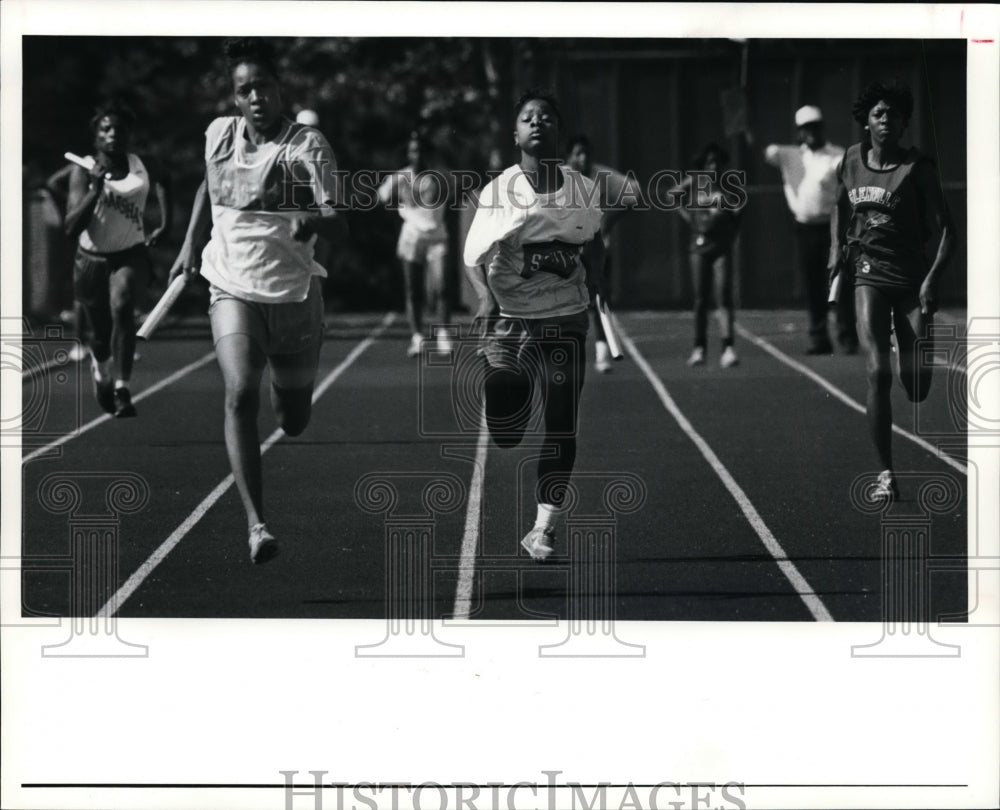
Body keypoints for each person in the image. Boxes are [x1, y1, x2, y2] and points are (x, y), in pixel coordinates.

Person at [168, 39, 347, 563]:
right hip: (230, 284)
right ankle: (256, 524)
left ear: (278, 87)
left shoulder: (306, 145)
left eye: (262, 86)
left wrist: (313, 219)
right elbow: (208, 187)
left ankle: (288, 374)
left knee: (292, 419)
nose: (255, 96)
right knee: (239, 391)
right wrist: (186, 247)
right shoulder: (219, 134)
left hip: (291, 292)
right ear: (235, 96)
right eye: (244, 89)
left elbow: (339, 214)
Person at [463, 90, 604, 560]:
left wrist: (598, 286)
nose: (537, 122)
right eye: (527, 117)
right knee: (506, 431)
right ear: (516, 133)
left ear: (557, 129)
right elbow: (473, 259)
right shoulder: (499, 192)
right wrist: (484, 296)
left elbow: (596, 242)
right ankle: (504, 393)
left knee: (562, 422)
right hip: (512, 319)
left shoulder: (581, 189)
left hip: (566, 316)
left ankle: (543, 528)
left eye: (546, 116)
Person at [829, 80, 954, 500]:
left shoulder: (918, 168)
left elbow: (949, 232)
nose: (886, 120)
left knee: (916, 388)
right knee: (876, 372)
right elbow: (838, 205)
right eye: (879, 113)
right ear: (866, 121)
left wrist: (932, 281)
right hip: (869, 276)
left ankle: (915, 340)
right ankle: (886, 473)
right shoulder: (849, 160)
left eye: (894, 115)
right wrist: (835, 248)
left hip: (912, 282)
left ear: (904, 124)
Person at [64, 99, 171, 416]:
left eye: (119, 129)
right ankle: (102, 370)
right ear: (96, 136)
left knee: (123, 305)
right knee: (99, 335)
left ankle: (123, 388)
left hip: (130, 253)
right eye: (105, 129)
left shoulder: (143, 164)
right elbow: (71, 228)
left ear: (128, 134)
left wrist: (165, 223)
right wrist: (95, 189)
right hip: (91, 259)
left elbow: (166, 181)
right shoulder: (81, 171)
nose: (113, 134)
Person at [765, 105, 857, 355]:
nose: (812, 132)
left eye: (815, 127)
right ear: (800, 132)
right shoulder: (790, 155)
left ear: (822, 128)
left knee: (840, 283)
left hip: (832, 227)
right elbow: (766, 151)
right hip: (805, 228)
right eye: (807, 128)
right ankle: (819, 338)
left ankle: (847, 335)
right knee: (813, 285)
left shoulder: (836, 155)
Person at [564, 134, 641, 372]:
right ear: (569, 156)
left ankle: (602, 352)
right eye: (578, 153)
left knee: (598, 299)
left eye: (586, 153)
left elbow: (635, 193)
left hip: (595, 248)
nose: (583, 158)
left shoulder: (600, 175)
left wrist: (609, 219)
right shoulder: (559, 177)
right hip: (566, 251)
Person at [378, 132, 453, 356]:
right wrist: (398, 207)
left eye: (420, 150)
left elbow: (458, 192)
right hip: (411, 237)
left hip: (436, 237)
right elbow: (379, 197)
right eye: (412, 150)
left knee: (442, 287)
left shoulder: (440, 176)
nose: (416, 154)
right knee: (413, 290)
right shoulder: (400, 177)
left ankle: (443, 335)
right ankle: (417, 337)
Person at [677, 142, 741, 368]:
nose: (713, 167)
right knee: (700, 299)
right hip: (699, 246)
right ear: (703, 165)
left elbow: (737, 215)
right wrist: (691, 219)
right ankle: (699, 348)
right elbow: (672, 195)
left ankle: (728, 348)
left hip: (721, 246)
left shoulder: (729, 185)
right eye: (709, 163)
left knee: (723, 294)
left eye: (717, 162)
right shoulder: (695, 182)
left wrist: (727, 216)